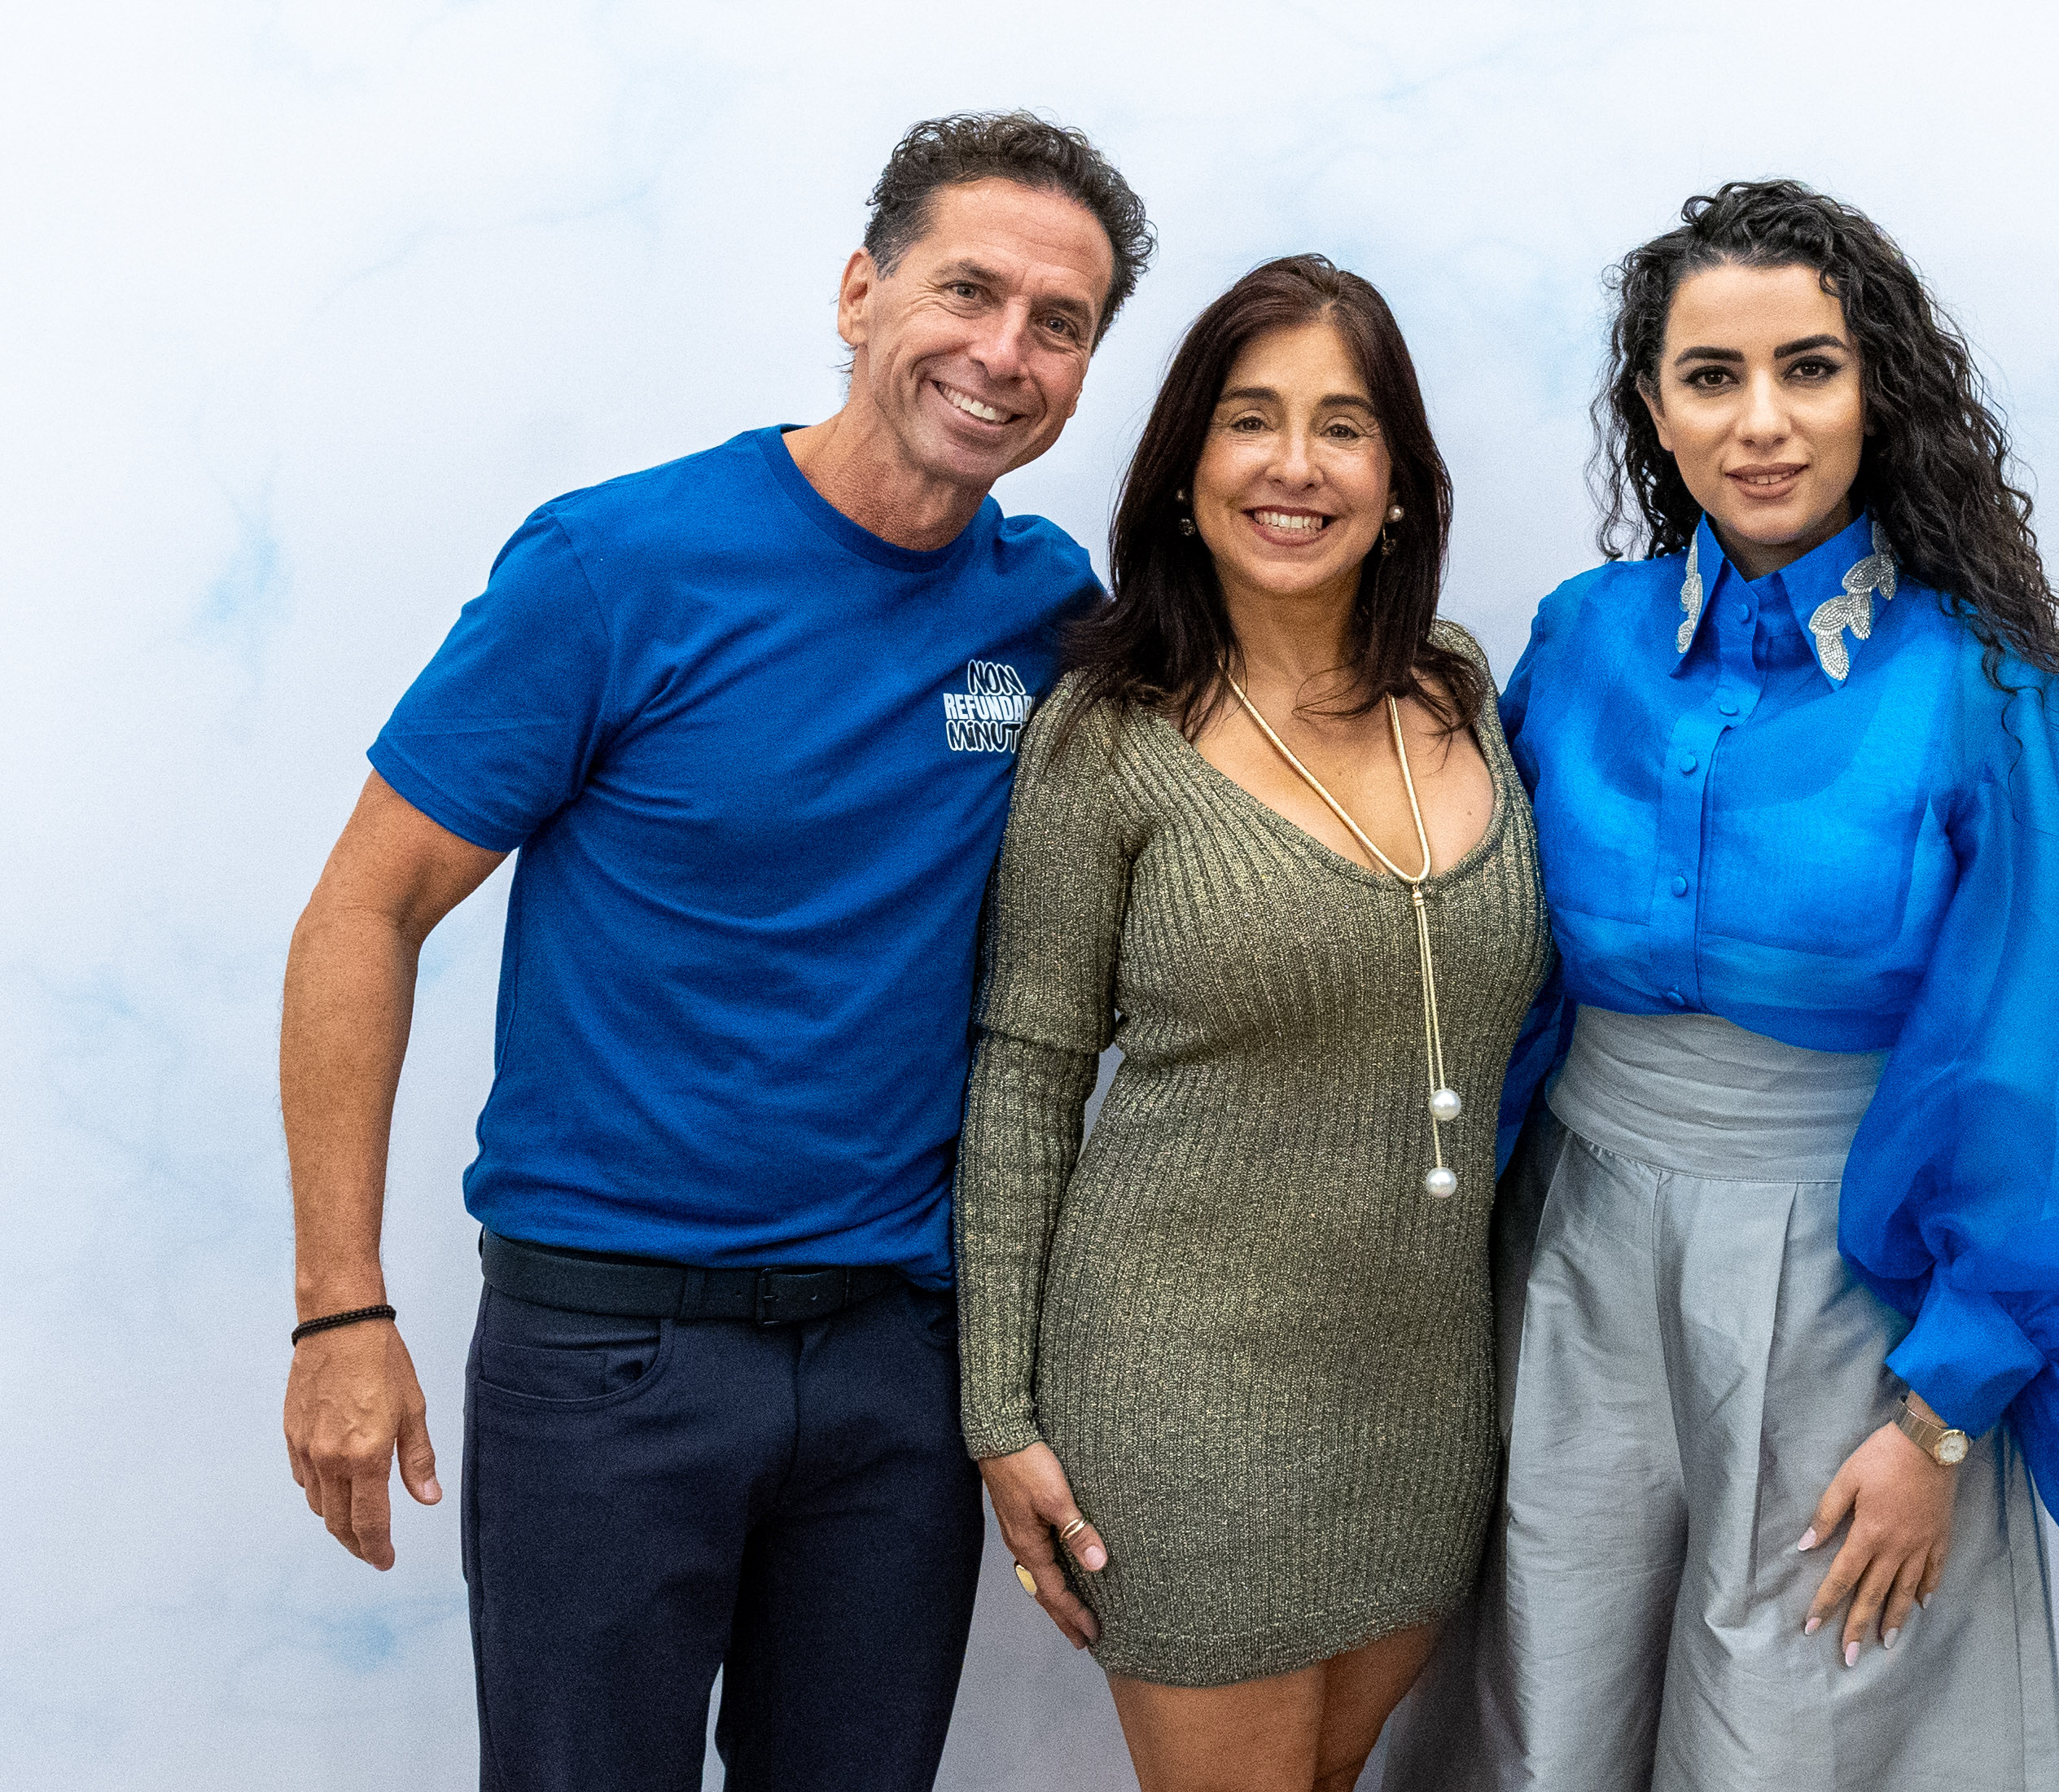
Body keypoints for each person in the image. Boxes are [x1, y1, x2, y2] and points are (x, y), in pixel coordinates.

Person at [1387, 181, 2059, 1791]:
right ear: (1651, 406)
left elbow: (2054, 1067)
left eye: (1809, 368)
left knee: (1802, 1736)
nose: (1761, 422)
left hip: (1845, 1292)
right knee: (1543, 1710)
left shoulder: (1977, 687)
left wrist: (1942, 1415)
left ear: (1877, 392)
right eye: (1710, 376)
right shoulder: (1578, 641)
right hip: (1567, 1258)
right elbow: (1491, 972)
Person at [275, 113, 1152, 1792]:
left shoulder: (1045, 609)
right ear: (859, 291)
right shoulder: (616, 566)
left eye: (1059, 323)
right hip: (609, 1356)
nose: (1004, 352)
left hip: (897, 1364)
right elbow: (360, 914)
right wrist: (340, 1311)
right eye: (967, 290)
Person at [953, 253, 1551, 1792]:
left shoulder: (1458, 687)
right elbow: (1026, 1073)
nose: (1295, 464)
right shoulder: (1108, 733)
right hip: (1181, 1397)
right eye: (1249, 419)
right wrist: (998, 1410)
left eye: (1342, 425)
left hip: (1423, 1395)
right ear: (1184, 469)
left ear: (1400, 481)